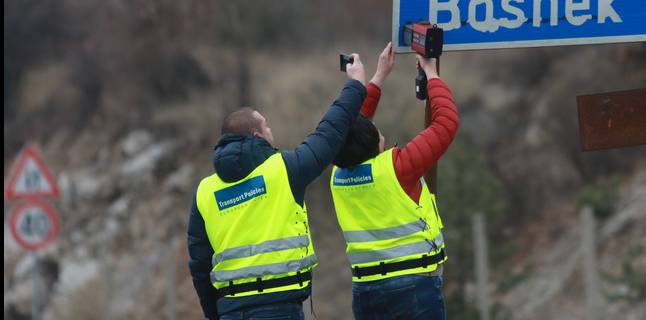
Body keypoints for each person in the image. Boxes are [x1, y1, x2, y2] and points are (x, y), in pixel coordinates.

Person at [188, 54, 368, 320]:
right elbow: (329, 134)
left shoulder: (204, 192)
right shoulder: (283, 169)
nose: (271, 129)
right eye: (266, 124)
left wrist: (216, 314)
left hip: (230, 311)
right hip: (279, 308)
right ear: (257, 136)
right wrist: (356, 85)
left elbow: (200, 265)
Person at [329, 42, 460, 320]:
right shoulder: (397, 168)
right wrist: (432, 73)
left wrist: (377, 78)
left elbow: (351, 130)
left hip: (365, 291)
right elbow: (445, 123)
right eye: (377, 131)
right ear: (375, 141)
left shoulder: (338, 175)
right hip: (413, 288)